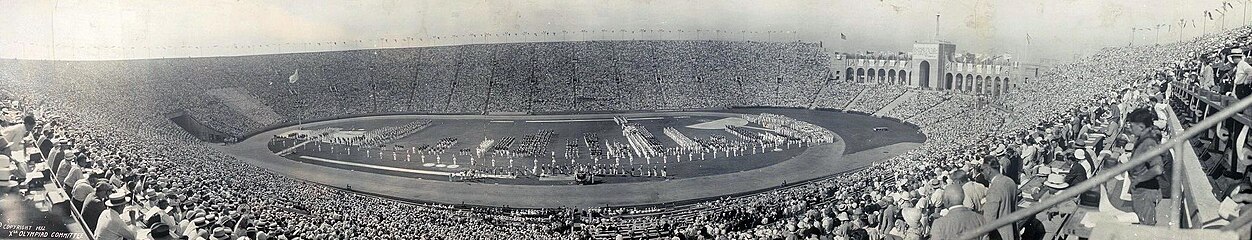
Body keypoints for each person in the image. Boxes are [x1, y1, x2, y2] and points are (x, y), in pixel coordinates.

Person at [1126, 108, 1164, 226]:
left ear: (1141, 127)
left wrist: (1138, 179)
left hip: (1145, 192)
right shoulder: (1144, 140)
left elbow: (1158, 168)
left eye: (1132, 126)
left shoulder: (1148, 143)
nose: (1130, 129)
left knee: (1146, 226)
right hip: (1142, 191)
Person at [982, 157, 1020, 240]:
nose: (982, 173)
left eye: (982, 170)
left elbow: (988, 220)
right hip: (1013, 230)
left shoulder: (994, 189)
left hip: (1000, 235)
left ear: (988, 169)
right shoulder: (1010, 181)